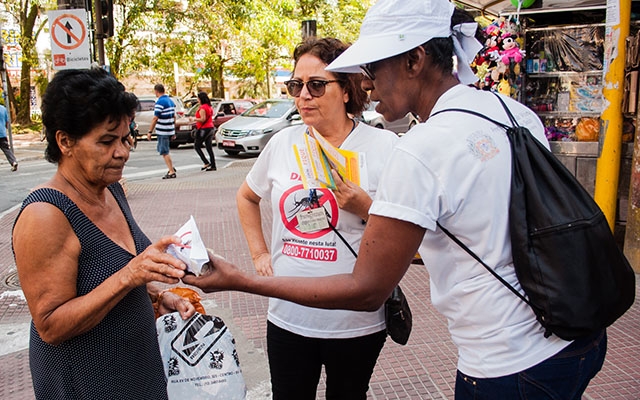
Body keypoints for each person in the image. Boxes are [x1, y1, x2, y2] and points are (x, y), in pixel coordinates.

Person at [184, 1, 607, 399]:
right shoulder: (512, 111)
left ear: (414, 60)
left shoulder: (417, 149)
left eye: (374, 66)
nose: (366, 82)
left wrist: (241, 280)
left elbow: (367, 290)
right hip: (576, 334)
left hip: (509, 362)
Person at [12, 68, 196, 400]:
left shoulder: (110, 190)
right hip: (88, 381)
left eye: (126, 138)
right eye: (106, 141)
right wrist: (131, 275)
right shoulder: (45, 214)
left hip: (136, 369)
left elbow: (109, 275)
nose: (122, 152)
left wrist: (156, 295)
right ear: (65, 141)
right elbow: (50, 324)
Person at [236, 37, 398, 400]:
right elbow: (247, 197)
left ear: (345, 90)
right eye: (296, 85)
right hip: (289, 316)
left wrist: (366, 207)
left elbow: (407, 232)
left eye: (316, 85)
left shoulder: (384, 148)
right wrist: (260, 254)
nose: (303, 96)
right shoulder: (283, 143)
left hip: (354, 321)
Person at [147, 84, 177, 179]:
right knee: (165, 150)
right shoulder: (170, 101)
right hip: (169, 129)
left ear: (156, 91)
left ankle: (171, 171)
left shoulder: (160, 102)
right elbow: (174, 117)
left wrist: (150, 131)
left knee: (164, 151)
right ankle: (171, 167)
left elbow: (155, 117)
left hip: (163, 131)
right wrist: (173, 130)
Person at [193, 91, 217, 171]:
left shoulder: (203, 108)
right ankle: (213, 165)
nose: (197, 100)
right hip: (210, 127)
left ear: (201, 99)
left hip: (204, 129)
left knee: (197, 145)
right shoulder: (209, 107)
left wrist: (194, 119)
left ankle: (206, 162)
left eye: (198, 98)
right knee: (209, 147)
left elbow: (202, 119)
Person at [0, 103, 18, 171]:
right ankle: (13, 162)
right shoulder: (3, 109)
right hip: (2, 133)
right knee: (6, 149)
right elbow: (7, 122)